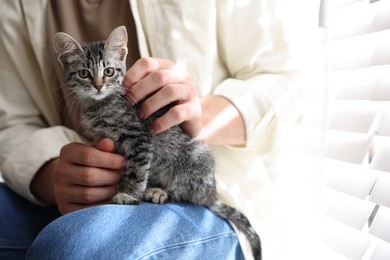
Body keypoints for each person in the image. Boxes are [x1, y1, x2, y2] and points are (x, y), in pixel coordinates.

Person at [0, 0, 301, 259]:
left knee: (78, 246)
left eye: (105, 74)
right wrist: (49, 174)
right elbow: (12, 122)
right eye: (85, 74)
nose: (97, 83)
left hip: (197, 189)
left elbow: (287, 83)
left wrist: (202, 114)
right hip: (77, 194)